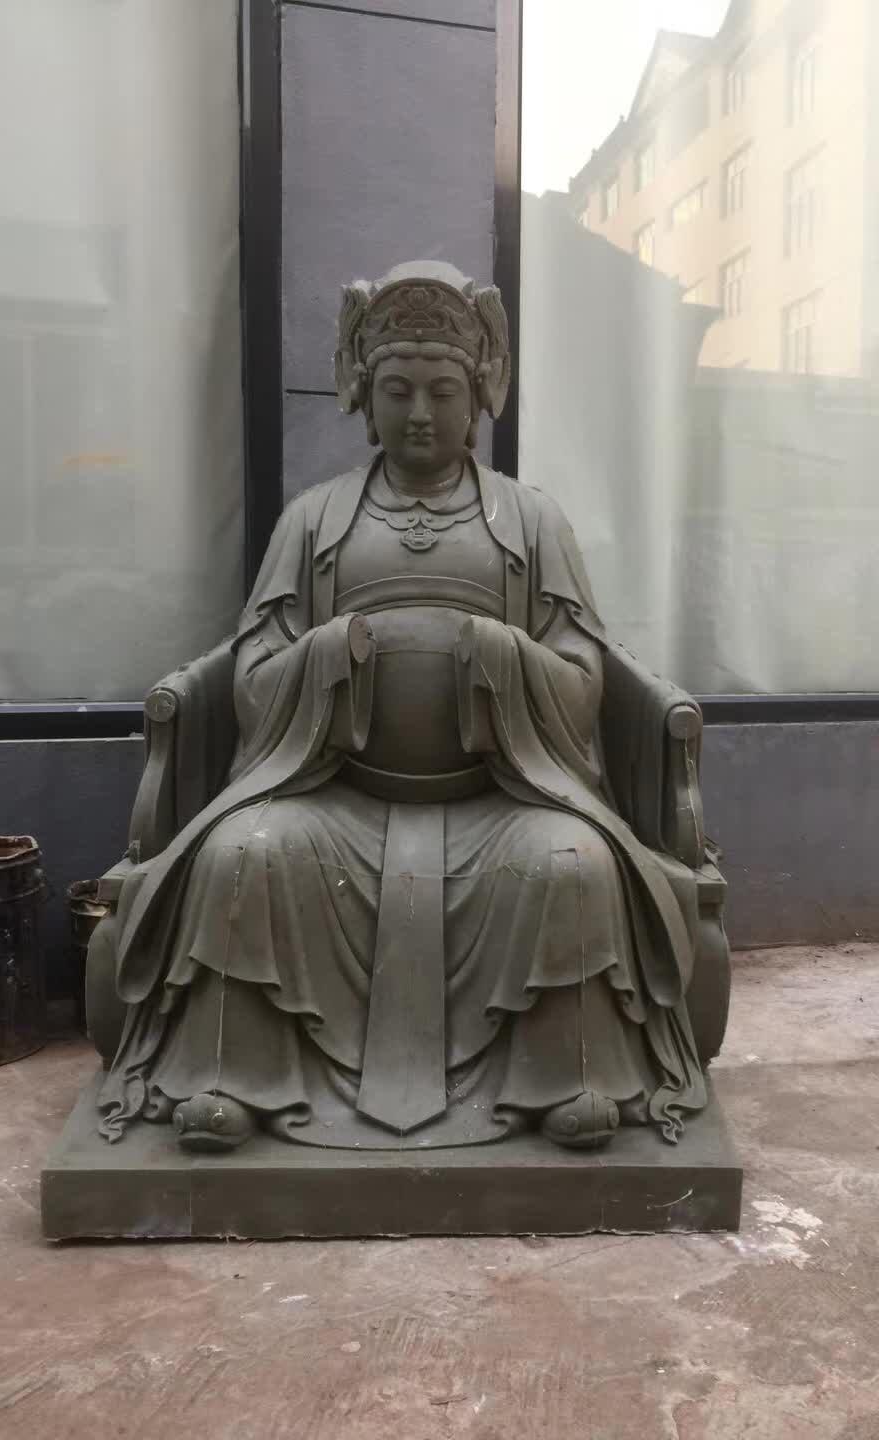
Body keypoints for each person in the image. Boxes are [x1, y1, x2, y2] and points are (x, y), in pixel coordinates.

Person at [98, 261, 709, 1154]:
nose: (420, 414)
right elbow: (252, 675)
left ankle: (564, 1074)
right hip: (331, 791)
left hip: (503, 795)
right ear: (364, 395)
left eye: (442, 392)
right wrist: (326, 657)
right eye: (397, 391)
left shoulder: (532, 523)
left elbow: (585, 679)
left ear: (479, 396)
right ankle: (233, 1075)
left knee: (572, 863)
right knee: (242, 855)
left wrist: (500, 657)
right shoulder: (314, 522)